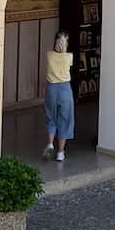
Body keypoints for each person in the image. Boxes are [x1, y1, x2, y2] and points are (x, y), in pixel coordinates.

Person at [43, 31, 74, 162]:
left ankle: (50, 143)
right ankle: (60, 153)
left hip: (51, 88)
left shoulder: (49, 55)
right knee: (65, 119)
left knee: (51, 116)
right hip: (65, 89)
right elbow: (65, 59)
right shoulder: (69, 57)